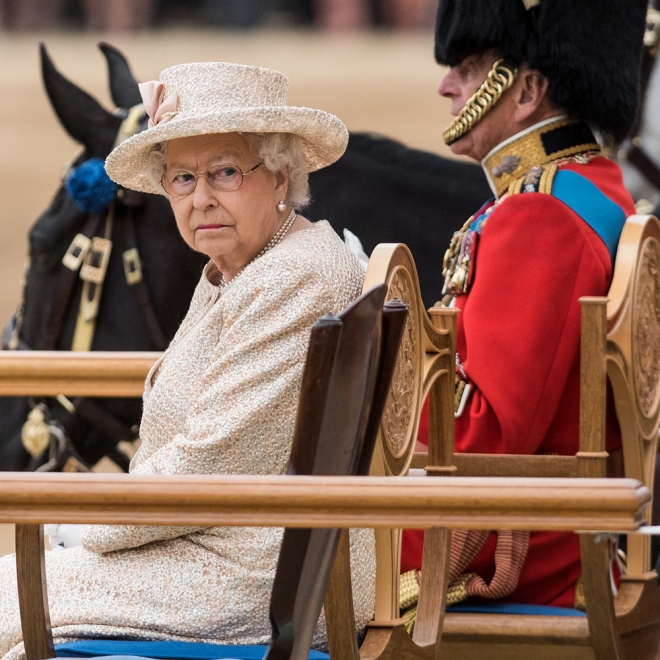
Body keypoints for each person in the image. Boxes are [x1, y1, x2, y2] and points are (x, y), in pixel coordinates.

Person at [0, 62, 375, 656]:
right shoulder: (239, 264)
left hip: (255, 582)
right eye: (181, 178)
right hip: (219, 548)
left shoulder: (296, 280)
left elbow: (210, 460)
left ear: (280, 174)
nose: (201, 198)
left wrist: (76, 519)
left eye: (225, 172)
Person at [403, 0, 647, 609]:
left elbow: (484, 434)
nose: (446, 84)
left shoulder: (538, 215)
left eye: (466, 66)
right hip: (547, 531)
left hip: (520, 556)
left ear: (528, 88)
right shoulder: (592, 185)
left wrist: (380, 392)